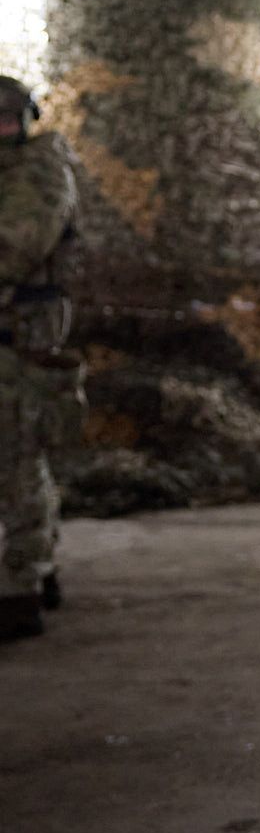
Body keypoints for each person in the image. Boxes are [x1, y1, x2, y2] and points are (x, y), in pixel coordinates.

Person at [0, 75, 82, 643]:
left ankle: (20, 585)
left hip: (20, 338)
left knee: (17, 458)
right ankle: (38, 565)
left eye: (10, 119)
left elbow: (18, 245)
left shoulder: (40, 170)